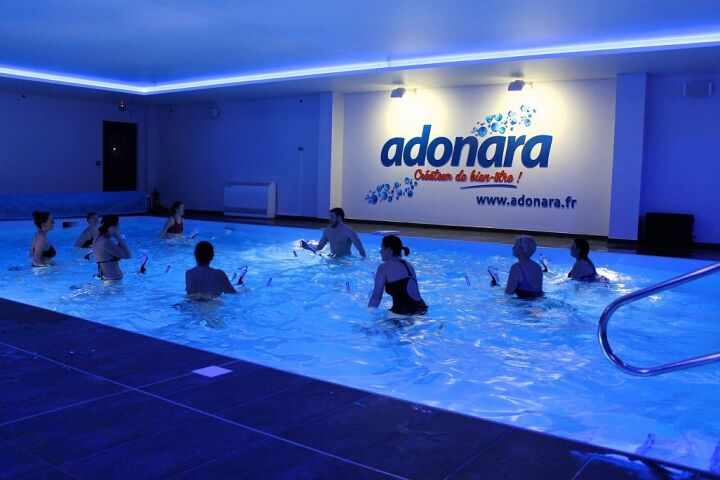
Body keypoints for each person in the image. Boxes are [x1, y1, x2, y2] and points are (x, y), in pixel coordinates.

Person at [368, 235, 428, 315]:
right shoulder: (409, 265)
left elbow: (376, 297)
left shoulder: (383, 267)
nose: (380, 251)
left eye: (382, 248)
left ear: (389, 250)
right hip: (422, 309)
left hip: (403, 313)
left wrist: (368, 314)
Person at [300, 207, 366, 257]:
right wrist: (308, 247)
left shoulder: (349, 231)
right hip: (332, 259)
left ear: (339, 217)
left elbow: (362, 252)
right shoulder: (327, 230)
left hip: (345, 262)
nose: (330, 219)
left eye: (332, 217)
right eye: (330, 217)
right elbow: (319, 247)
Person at [93, 215, 131, 280]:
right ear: (112, 227)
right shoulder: (105, 242)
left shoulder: (97, 239)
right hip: (114, 279)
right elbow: (128, 256)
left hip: (107, 278)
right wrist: (118, 237)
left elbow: (109, 256)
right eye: (118, 224)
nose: (119, 226)